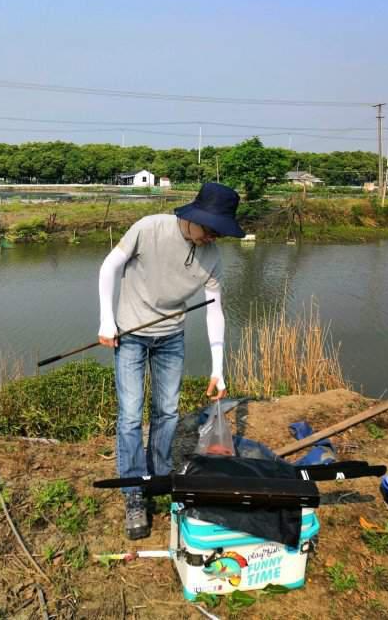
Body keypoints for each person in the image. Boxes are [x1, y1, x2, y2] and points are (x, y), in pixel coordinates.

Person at [98, 182, 245, 539]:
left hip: (171, 337)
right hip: (130, 333)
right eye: (209, 228)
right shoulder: (150, 227)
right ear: (192, 217)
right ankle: (134, 492)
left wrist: (218, 369)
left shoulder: (212, 257)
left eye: (219, 232)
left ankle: (160, 479)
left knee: (167, 411)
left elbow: (214, 311)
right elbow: (110, 266)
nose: (212, 237)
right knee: (131, 415)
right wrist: (107, 319)